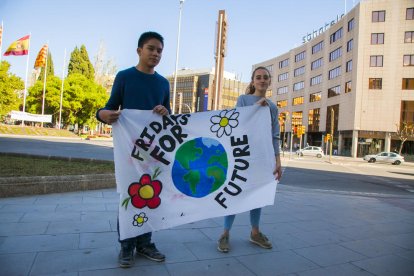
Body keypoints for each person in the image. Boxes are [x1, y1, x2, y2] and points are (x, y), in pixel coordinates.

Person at [96, 31, 170, 268]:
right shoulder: (125, 76)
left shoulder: (163, 83)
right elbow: (108, 108)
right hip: (128, 152)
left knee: (151, 195)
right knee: (130, 196)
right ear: (139, 50)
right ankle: (126, 245)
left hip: (153, 152)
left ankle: (146, 242)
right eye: (151, 48)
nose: (155, 54)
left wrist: (164, 112)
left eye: (159, 50)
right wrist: (103, 115)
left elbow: (168, 119)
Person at [217, 66, 282, 253]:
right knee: (235, 192)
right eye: (258, 77)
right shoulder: (243, 100)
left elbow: (274, 135)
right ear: (253, 81)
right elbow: (237, 123)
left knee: (258, 195)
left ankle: (255, 232)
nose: (262, 80)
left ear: (270, 81)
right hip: (243, 155)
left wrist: (278, 161)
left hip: (263, 156)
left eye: (265, 78)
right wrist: (255, 109)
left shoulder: (272, 106)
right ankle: (225, 233)